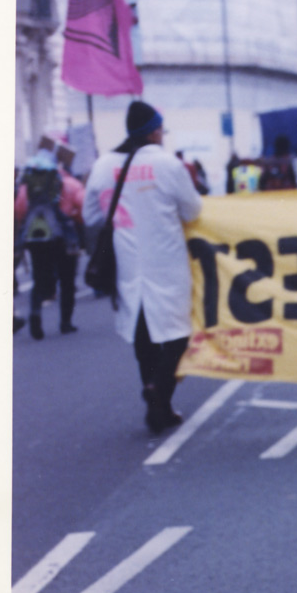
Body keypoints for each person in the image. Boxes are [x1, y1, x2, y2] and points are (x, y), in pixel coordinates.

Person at [84, 100, 202, 433]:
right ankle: (159, 391)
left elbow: (91, 215)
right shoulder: (168, 165)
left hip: (127, 264)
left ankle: (159, 406)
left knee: (143, 335)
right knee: (180, 332)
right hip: (166, 261)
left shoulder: (103, 166)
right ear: (153, 131)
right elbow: (193, 211)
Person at [14, 140, 86, 338]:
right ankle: (66, 322)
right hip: (63, 236)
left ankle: (36, 317)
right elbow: (82, 208)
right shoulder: (70, 184)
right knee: (67, 279)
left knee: (39, 277)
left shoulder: (27, 185)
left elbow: (19, 209)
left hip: (37, 236)